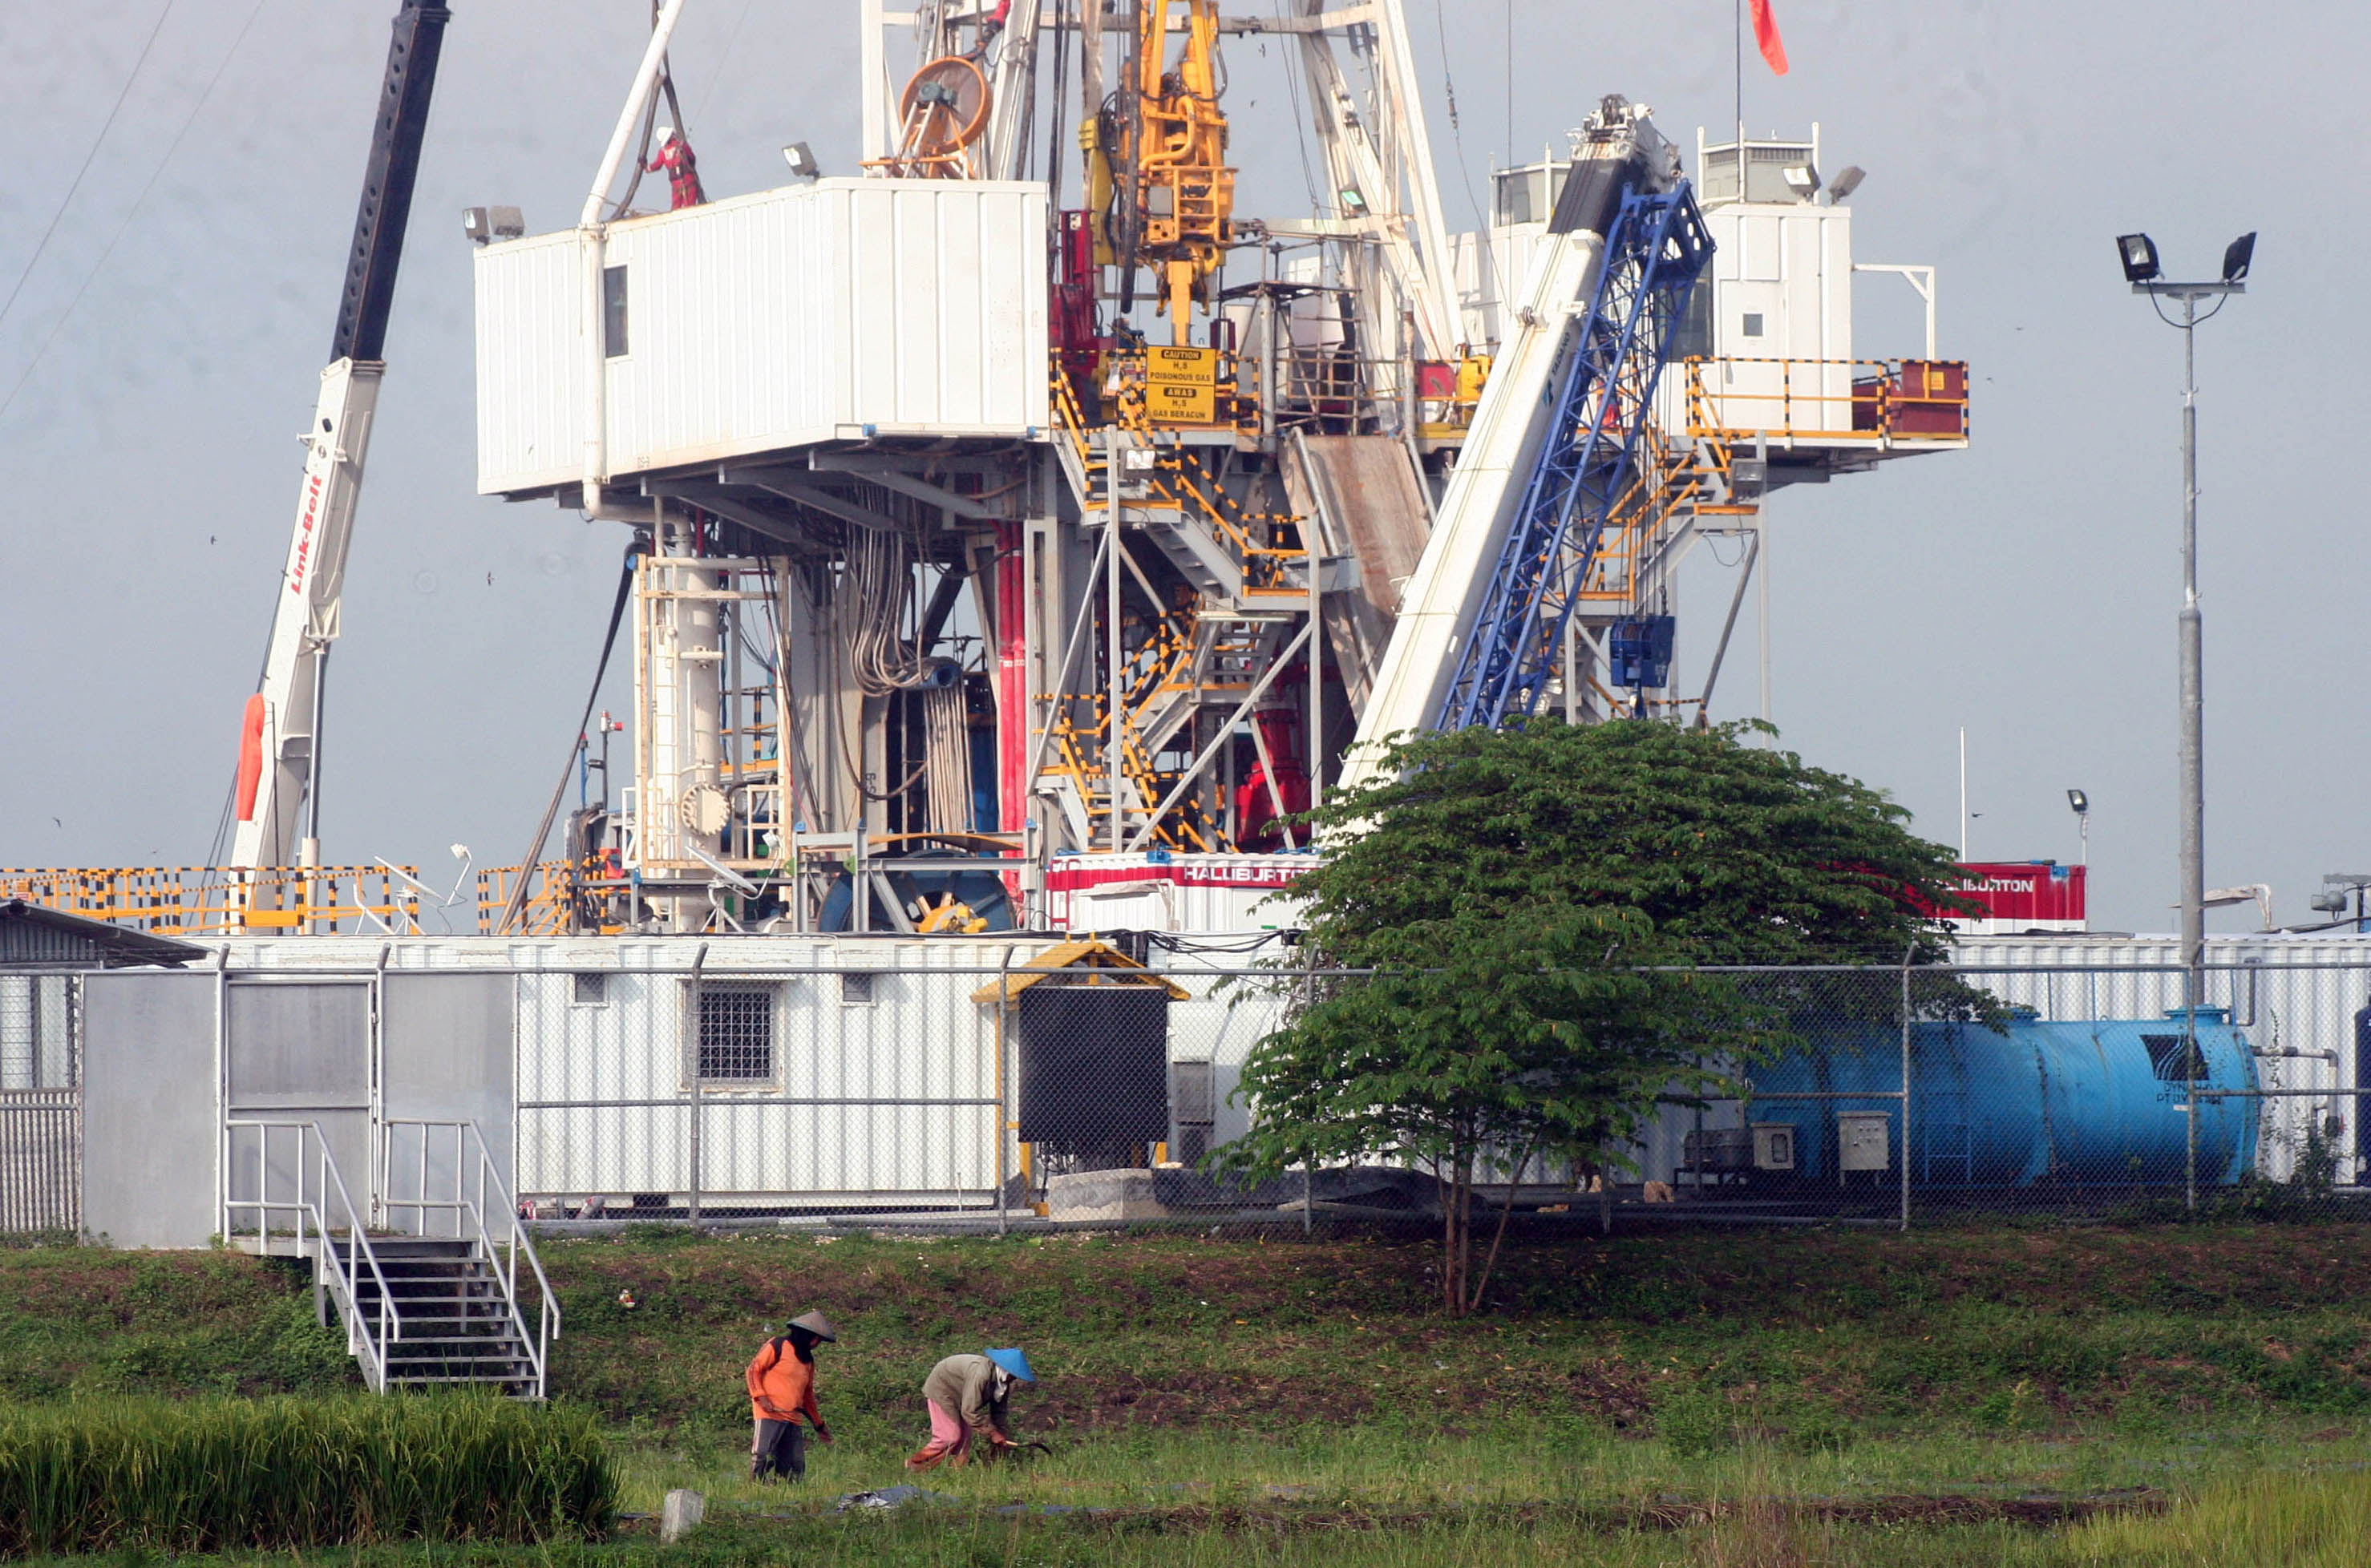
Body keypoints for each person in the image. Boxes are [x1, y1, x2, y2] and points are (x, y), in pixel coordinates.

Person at [907, 1347, 1036, 1470]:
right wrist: (992, 1433)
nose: (1016, 1379)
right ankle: (915, 1464)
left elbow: (999, 1412)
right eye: (1015, 1375)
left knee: (964, 1441)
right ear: (1007, 1371)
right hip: (943, 1389)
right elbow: (969, 1411)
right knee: (949, 1437)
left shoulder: (1003, 1383)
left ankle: (954, 1473)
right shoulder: (981, 1375)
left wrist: (1003, 1433)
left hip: (962, 1396)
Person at [745, 1311, 837, 1482]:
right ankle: (755, 1486)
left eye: (818, 1341)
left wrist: (819, 1425)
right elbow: (753, 1370)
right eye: (815, 1339)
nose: (815, 1344)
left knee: (795, 1464)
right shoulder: (778, 1345)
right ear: (805, 1335)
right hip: (769, 1413)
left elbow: (807, 1396)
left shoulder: (808, 1361)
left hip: (793, 1417)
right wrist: (761, 1397)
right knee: (762, 1454)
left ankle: (785, 1490)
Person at [645, 126, 707, 210]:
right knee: (690, 208)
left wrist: (646, 167)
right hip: (689, 181)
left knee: (675, 208)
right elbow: (692, 159)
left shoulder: (663, 152)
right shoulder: (683, 146)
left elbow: (656, 165)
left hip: (676, 185)